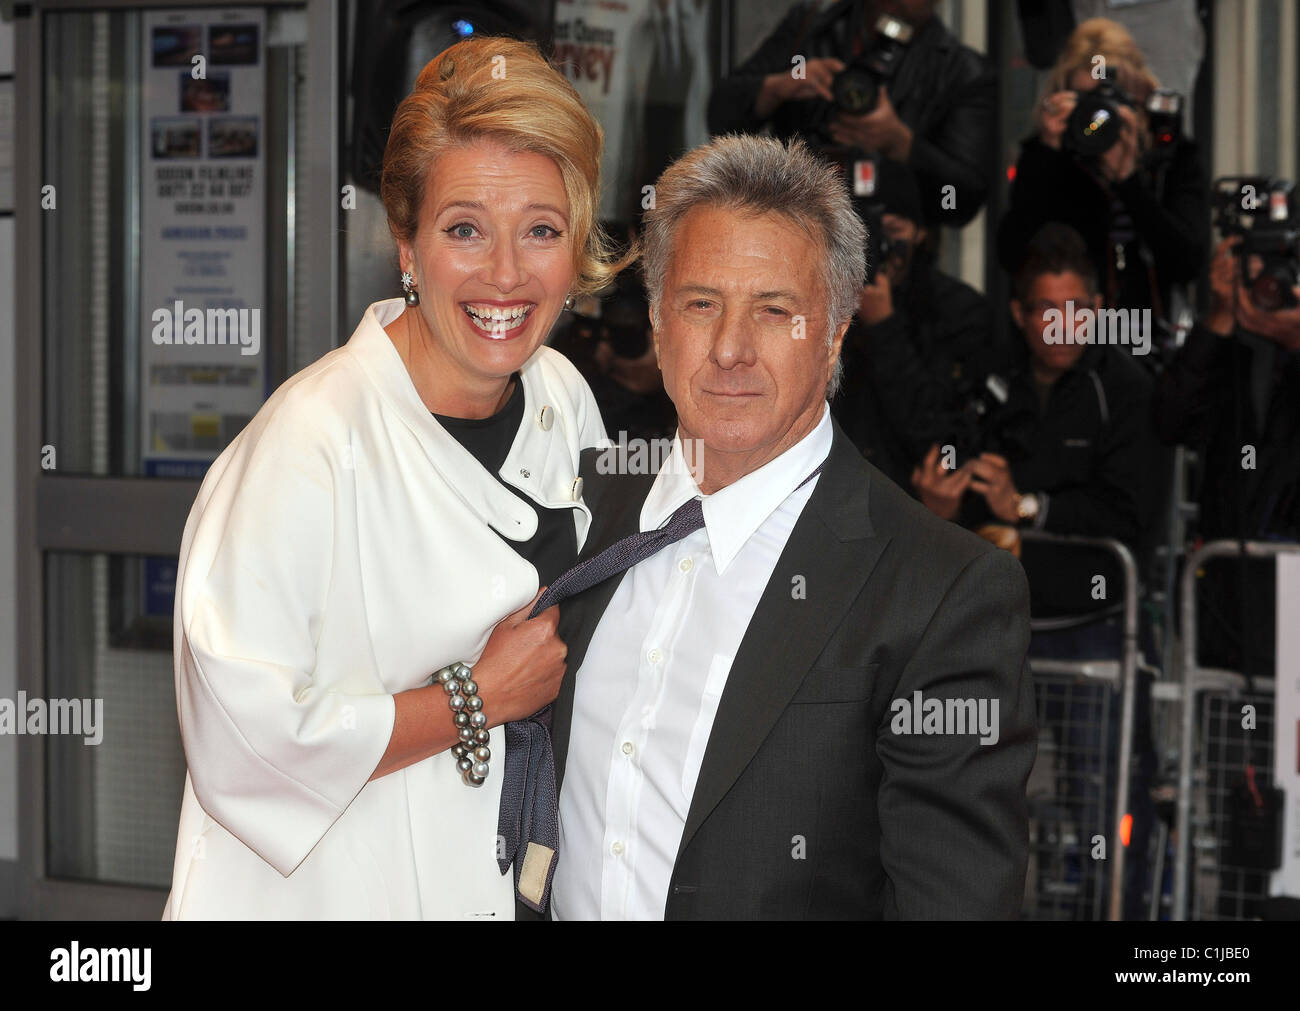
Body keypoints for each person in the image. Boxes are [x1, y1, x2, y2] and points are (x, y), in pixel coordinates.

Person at [162, 37, 626, 919]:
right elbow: (238, 738)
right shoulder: (308, 442)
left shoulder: (562, 397)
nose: (504, 274)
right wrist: (473, 698)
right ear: (405, 243)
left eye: (540, 230)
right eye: (463, 230)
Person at [544, 134, 1036, 920]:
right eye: (701, 304)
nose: (732, 350)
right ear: (660, 323)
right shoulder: (576, 511)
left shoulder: (941, 590)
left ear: (837, 332)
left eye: (776, 311)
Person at [996, 18, 1207, 346]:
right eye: (1086, 103)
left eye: (1111, 101)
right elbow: (1013, 256)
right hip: (1063, 342)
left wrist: (1129, 182)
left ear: (1141, 95)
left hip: (1148, 339)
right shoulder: (1048, 157)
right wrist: (1047, 155)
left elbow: (1187, 262)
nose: (1098, 119)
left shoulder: (1171, 156)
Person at [707, 0, 997, 228]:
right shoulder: (811, 28)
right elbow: (720, 116)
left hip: (889, 252)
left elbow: (964, 198)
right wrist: (778, 87)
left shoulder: (962, 71)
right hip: (793, 220)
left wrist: (902, 145)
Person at [831, 159, 995, 487]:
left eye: (891, 231)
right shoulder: (824, 302)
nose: (877, 246)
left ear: (920, 232)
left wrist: (884, 328)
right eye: (863, 232)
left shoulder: (956, 310)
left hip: (911, 496)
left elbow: (943, 437)